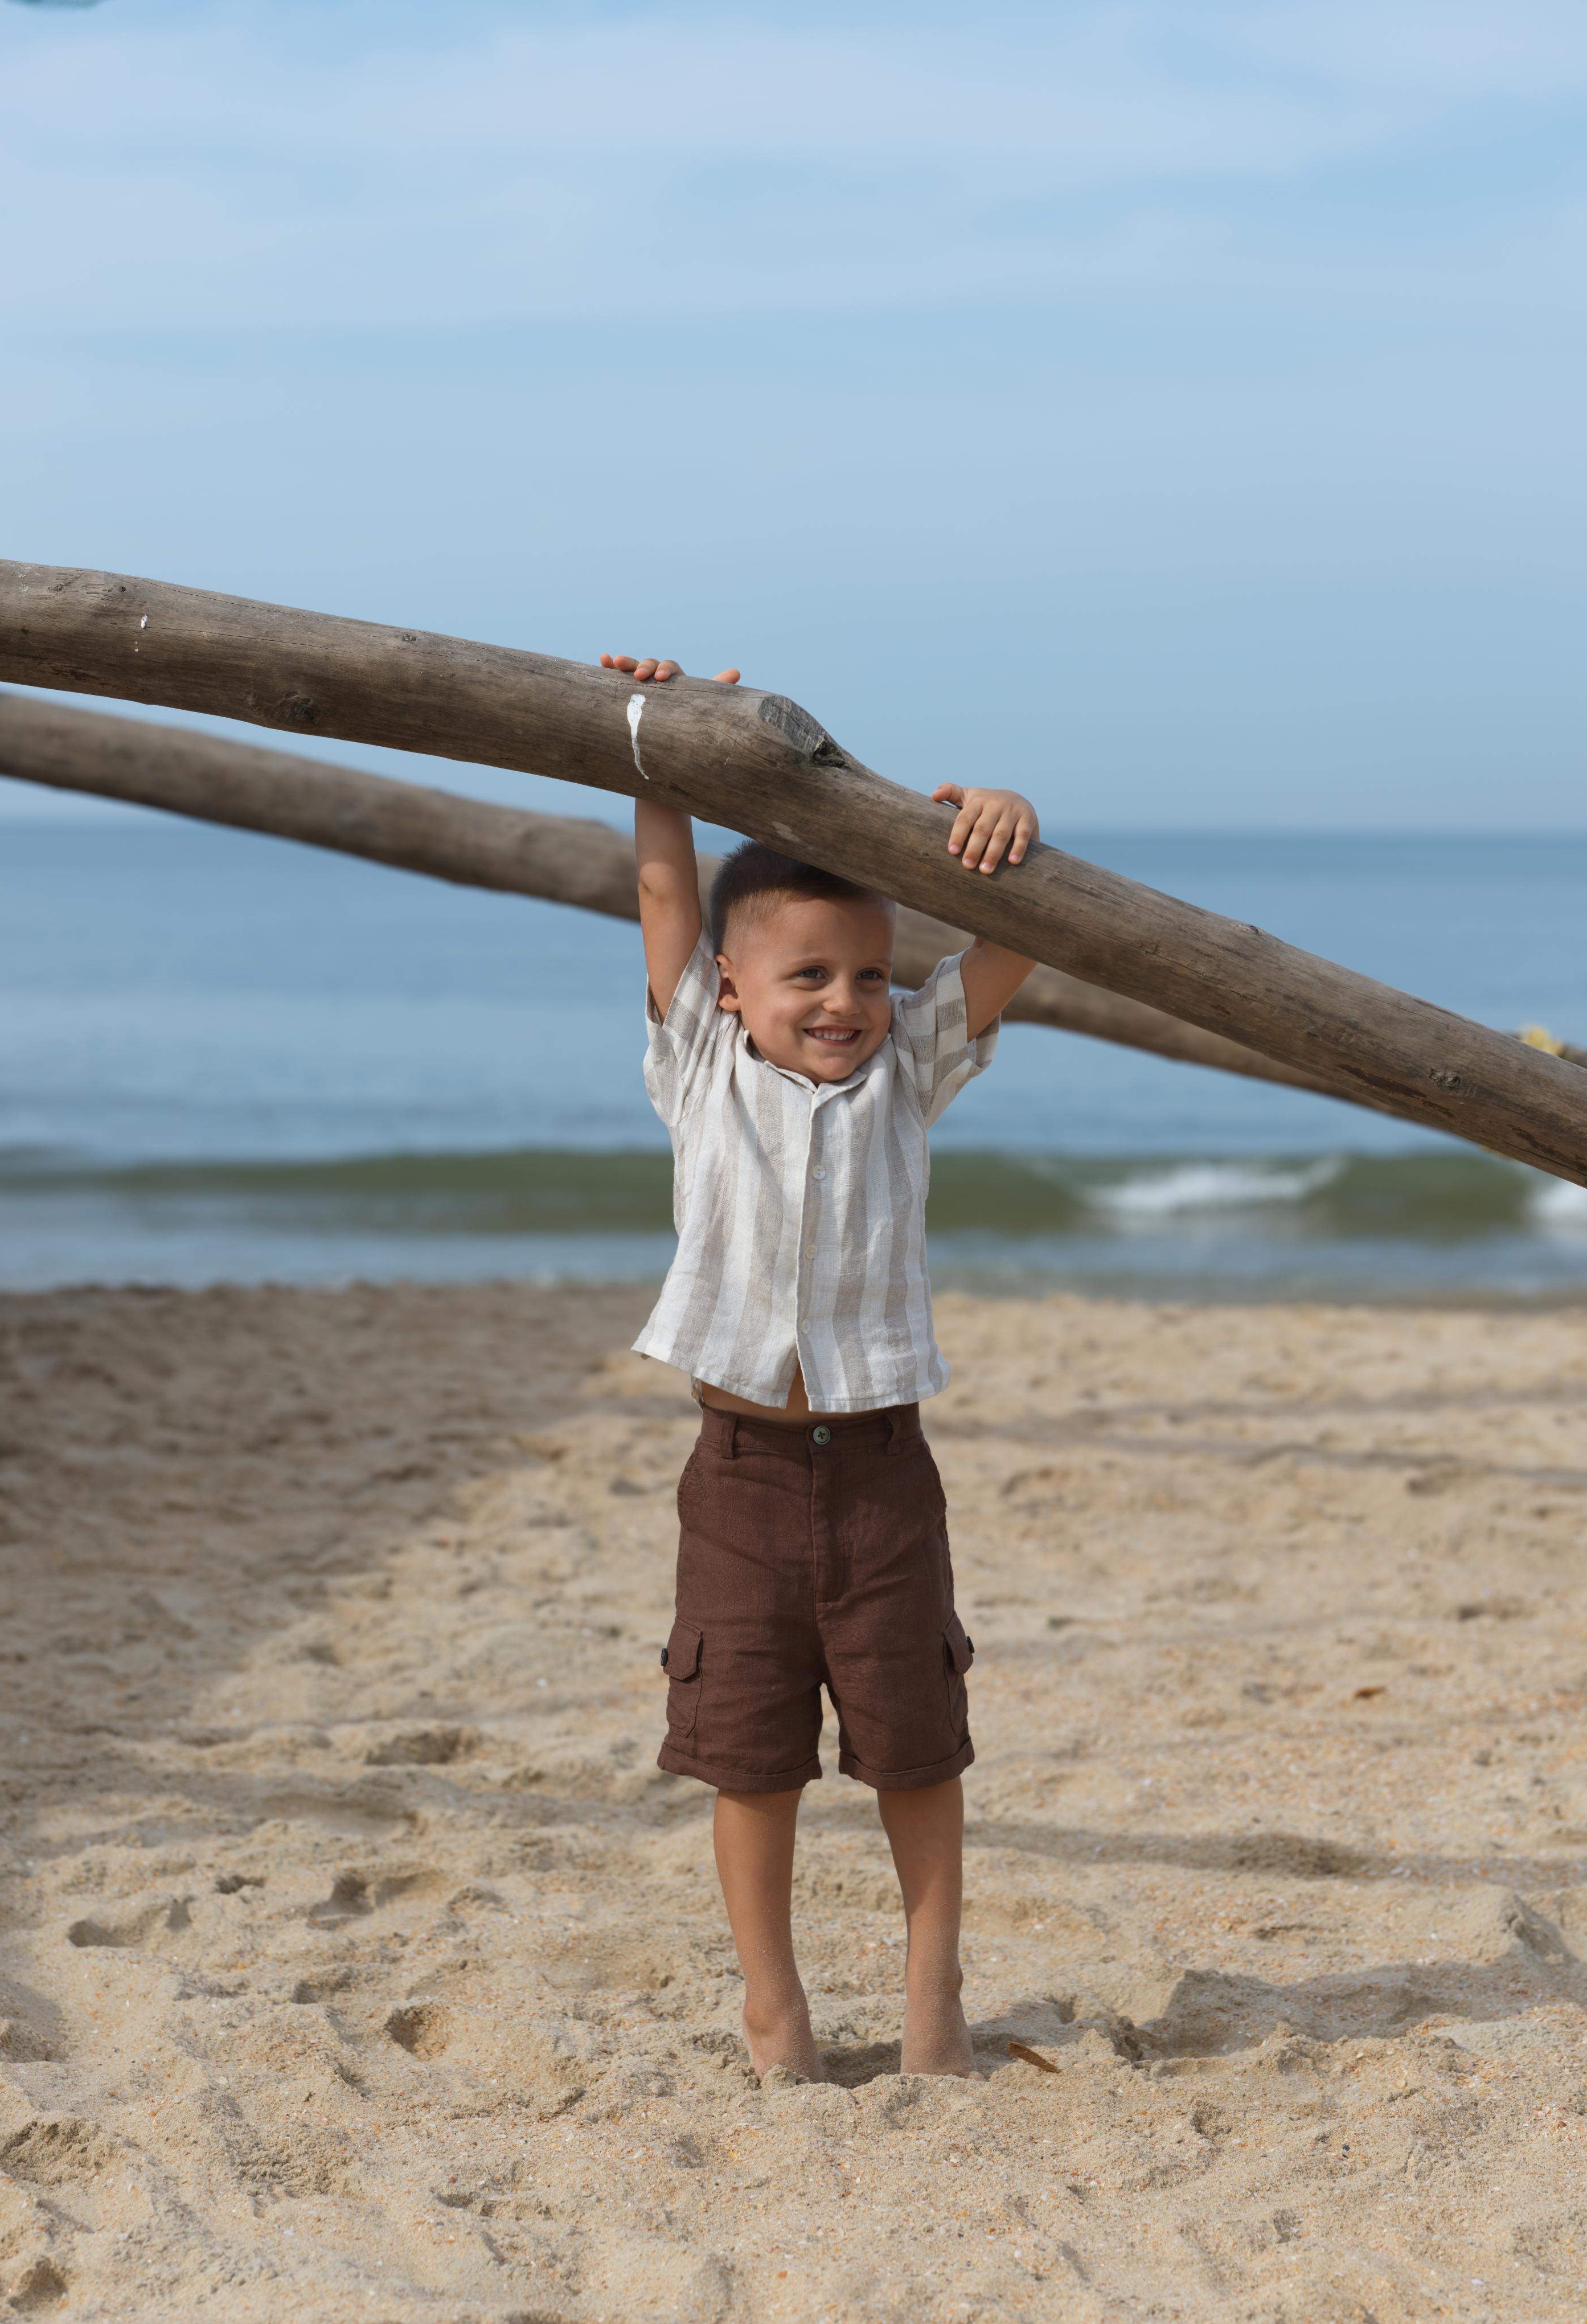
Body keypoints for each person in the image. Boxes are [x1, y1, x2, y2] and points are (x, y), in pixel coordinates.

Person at [602, 649, 1040, 2081]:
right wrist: (659, 735)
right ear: (731, 987)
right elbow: (668, 891)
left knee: (917, 1742)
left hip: (880, 1472)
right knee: (750, 1754)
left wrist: (998, 822)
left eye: (868, 972)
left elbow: (1011, 948)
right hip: (732, 1476)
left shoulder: (912, 1068)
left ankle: (933, 2001)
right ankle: (774, 2008)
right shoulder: (697, 1071)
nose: (845, 999)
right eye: (808, 975)